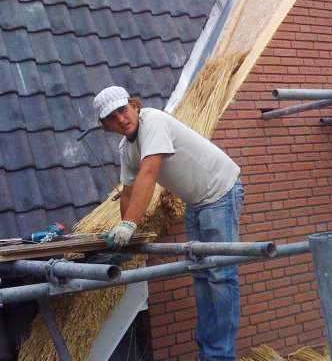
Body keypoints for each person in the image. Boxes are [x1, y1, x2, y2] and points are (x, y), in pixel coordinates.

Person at [94, 86, 244, 361]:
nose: (121, 119)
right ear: (106, 125)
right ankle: (208, 352)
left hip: (220, 192)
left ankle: (221, 356)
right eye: (112, 117)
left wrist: (129, 226)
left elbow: (148, 173)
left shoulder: (154, 121)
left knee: (221, 276)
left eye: (123, 110)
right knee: (201, 274)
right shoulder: (127, 148)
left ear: (134, 106)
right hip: (196, 202)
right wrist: (126, 232)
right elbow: (127, 193)